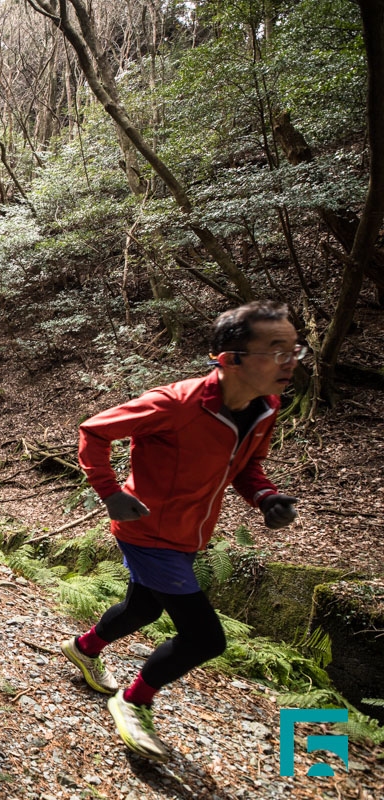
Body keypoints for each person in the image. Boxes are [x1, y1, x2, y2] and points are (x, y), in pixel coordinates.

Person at [60, 301, 303, 762]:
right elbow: (94, 431)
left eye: (294, 350)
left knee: (143, 607)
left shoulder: (265, 408)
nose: (290, 362)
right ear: (230, 358)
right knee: (205, 638)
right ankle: (134, 702)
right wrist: (110, 492)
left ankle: (84, 648)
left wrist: (265, 496)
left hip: (190, 533)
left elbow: (248, 467)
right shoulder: (176, 404)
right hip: (148, 530)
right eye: (276, 350)